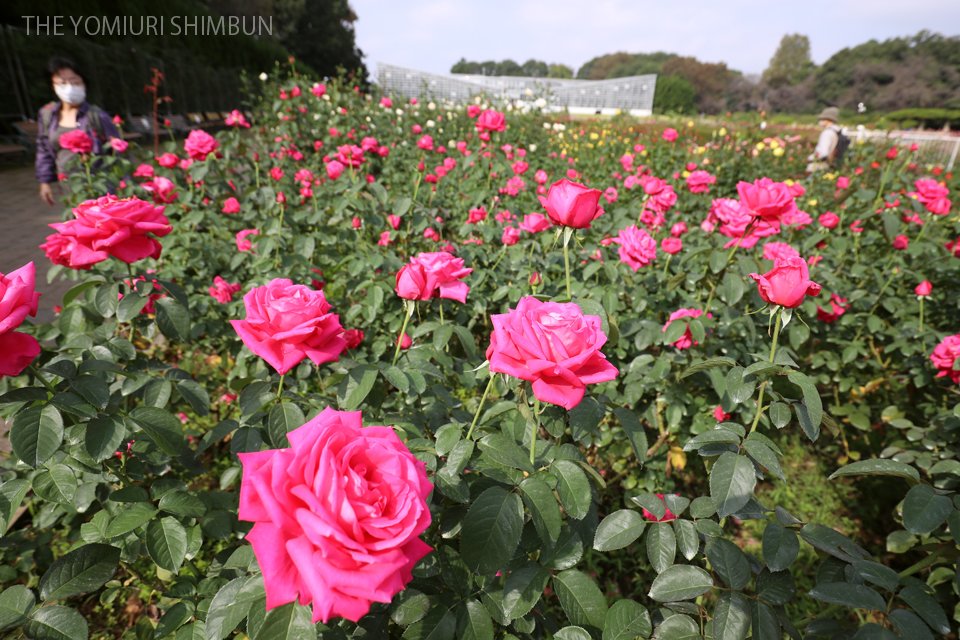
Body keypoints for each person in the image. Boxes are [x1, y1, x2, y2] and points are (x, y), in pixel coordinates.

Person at [36, 56, 120, 205]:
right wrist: (45, 181)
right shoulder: (47, 115)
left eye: (74, 81)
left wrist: (123, 185)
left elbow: (117, 151)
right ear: (53, 85)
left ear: (84, 83)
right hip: (70, 186)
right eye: (62, 82)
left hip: (99, 183)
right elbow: (43, 148)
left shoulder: (97, 116)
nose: (69, 87)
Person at [806, 106, 843, 173]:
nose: (820, 121)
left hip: (818, 167)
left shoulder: (827, 133)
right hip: (826, 166)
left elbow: (823, 153)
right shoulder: (835, 131)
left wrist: (810, 158)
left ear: (828, 120)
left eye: (822, 119)